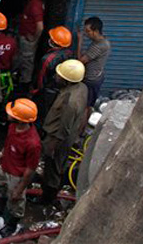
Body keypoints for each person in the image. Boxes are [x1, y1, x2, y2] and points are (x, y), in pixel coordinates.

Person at [0, 99, 41, 237]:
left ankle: (11, 225)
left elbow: (30, 169)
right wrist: (2, 154)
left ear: (19, 119)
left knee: (16, 202)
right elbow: (9, 143)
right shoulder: (13, 127)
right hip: (5, 167)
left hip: (17, 176)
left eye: (11, 113)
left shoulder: (32, 143)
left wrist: (19, 190)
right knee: (0, 189)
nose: (7, 114)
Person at [40, 59, 88, 204]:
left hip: (57, 139)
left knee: (53, 166)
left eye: (59, 76)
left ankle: (47, 197)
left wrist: (51, 147)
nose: (56, 77)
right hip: (68, 134)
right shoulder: (82, 87)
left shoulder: (71, 102)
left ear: (67, 81)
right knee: (56, 164)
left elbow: (63, 129)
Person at [34, 26, 73, 124]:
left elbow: (41, 79)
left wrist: (36, 91)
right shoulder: (69, 53)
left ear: (53, 41)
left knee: (44, 116)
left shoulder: (47, 59)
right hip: (62, 91)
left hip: (48, 93)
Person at [17, 0, 45, 90]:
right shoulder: (32, 1)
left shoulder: (35, 5)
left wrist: (34, 38)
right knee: (23, 60)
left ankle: (25, 85)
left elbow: (40, 27)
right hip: (25, 36)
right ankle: (23, 79)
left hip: (28, 39)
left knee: (27, 62)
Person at [76, 17, 111, 107]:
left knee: (85, 106)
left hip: (91, 80)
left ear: (96, 31)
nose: (86, 34)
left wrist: (80, 41)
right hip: (97, 76)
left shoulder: (99, 46)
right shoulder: (103, 41)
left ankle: (84, 121)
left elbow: (80, 61)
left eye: (88, 31)